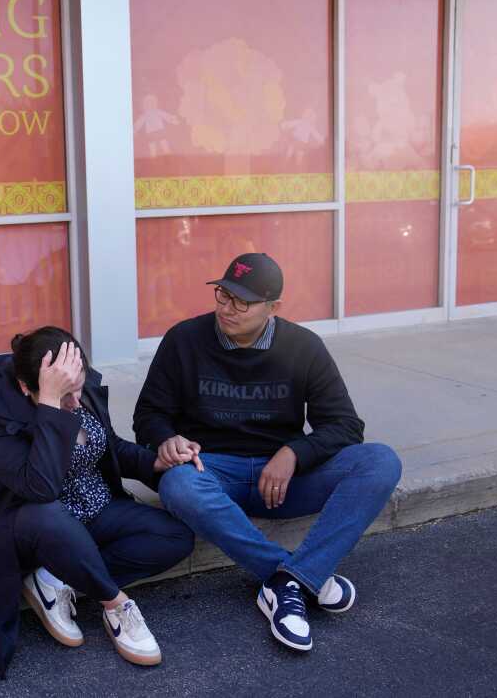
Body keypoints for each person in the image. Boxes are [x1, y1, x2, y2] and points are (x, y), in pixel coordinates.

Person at [133, 252, 402, 652]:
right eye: (223, 295)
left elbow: (346, 426)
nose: (227, 308)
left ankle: (290, 579)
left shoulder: (303, 347)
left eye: (242, 301)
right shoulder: (184, 340)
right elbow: (149, 415)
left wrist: (294, 453)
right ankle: (295, 577)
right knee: (178, 485)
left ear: (273, 307)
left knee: (380, 462)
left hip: (283, 481)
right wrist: (166, 439)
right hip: (212, 471)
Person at [0, 327, 194, 677]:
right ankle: (116, 605)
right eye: (65, 397)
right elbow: (40, 488)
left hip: (90, 510)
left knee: (174, 537)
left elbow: (108, 445)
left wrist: (157, 460)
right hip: (23, 526)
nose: (76, 404)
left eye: (78, 390)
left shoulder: (77, 387)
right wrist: (50, 406)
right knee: (49, 515)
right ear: (25, 388)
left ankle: (58, 578)